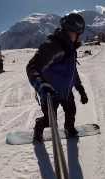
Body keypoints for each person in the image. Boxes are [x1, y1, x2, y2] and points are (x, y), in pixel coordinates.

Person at [26, 13, 88, 143]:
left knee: (71, 111)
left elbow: (73, 72)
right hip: (50, 93)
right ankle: (38, 128)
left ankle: (69, 128)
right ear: (70, 31)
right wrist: (41, 86)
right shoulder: (54, 46)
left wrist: (80, 89)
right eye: (77, 33)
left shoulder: (70, 49)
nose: (78, 37)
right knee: (49, 120)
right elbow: (32, 68)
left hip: (66, 91)